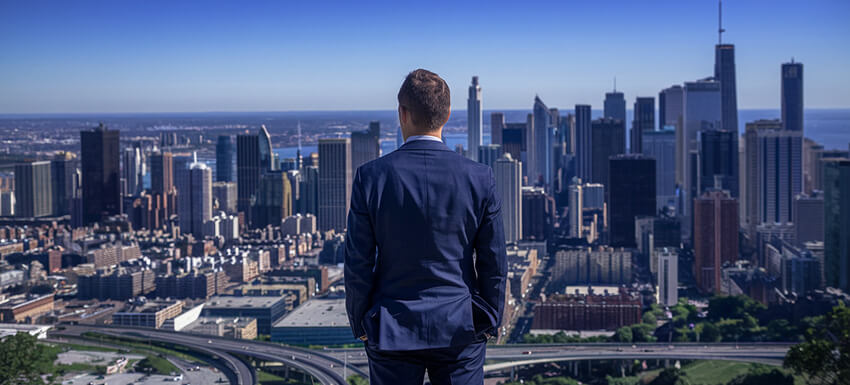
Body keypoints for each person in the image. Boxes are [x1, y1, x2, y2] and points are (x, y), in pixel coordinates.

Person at [344, 69, 507, 385]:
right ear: (447, 115)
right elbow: (494, 261)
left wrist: (361, 324)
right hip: (461, 326)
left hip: (391, 326)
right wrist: (490, 319)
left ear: (402, 113)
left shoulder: (371, 177)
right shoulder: (479, 178)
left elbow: (357, 263)